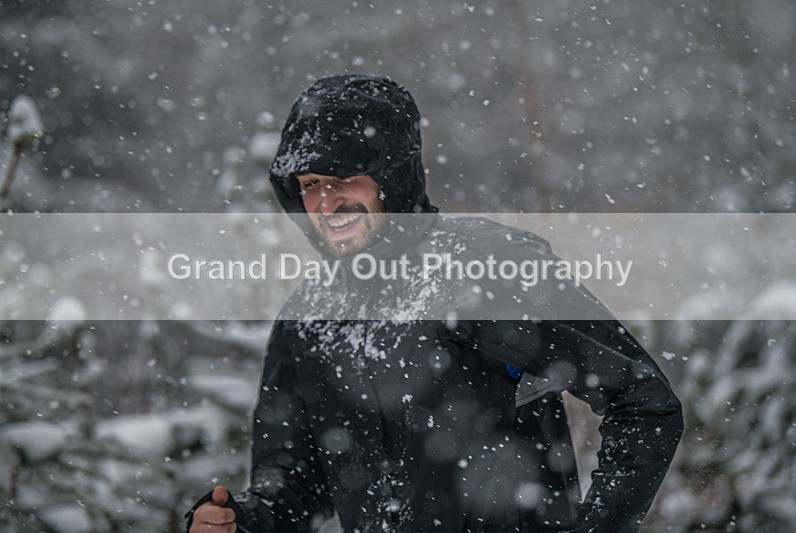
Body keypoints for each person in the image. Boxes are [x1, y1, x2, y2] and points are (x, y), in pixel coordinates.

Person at [186, 75, 683, 532]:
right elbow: (295, 487)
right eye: (311, 184)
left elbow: (643, 403)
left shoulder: (488, 267)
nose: (327, 201)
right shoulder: (311, 316)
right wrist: (239, 522)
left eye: (345, 177)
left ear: (391, 175)